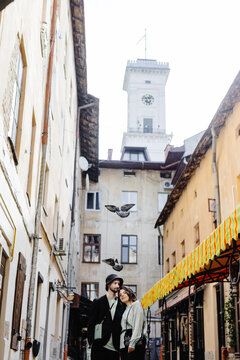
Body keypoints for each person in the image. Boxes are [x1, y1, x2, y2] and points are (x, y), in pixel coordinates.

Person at [88, 274, 125, 360]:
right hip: (99, 345)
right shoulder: (98, 302)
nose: (117, 286)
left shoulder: (121, 304)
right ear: (108, 284)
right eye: (115, 283)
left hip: (115, 347)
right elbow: (91, 323)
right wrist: (91, 342)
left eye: (119, 284)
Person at [119, 286, 147, 360]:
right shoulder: (126, 309)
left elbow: (138, 326)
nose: (122, 295)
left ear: (130, 293)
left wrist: (132, 344)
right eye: (120, 294)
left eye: (124, 292)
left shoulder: (136, 305)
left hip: (133, 342)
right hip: (125, 342)